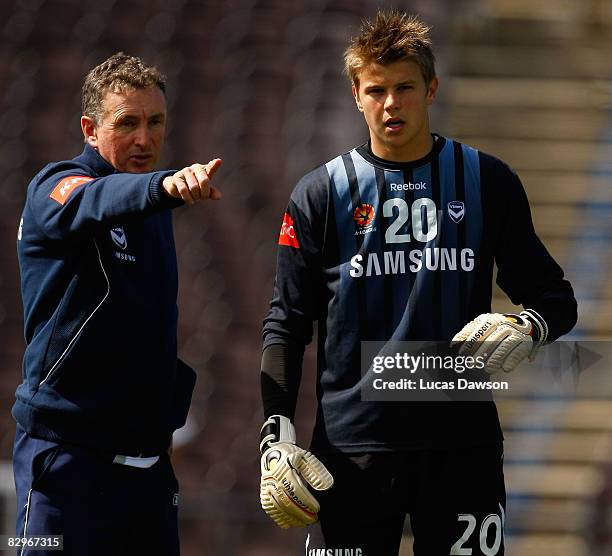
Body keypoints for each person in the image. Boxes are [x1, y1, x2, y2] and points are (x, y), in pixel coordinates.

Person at [258, 10, 577, 555]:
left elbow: (556, 298)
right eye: (376, 90)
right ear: (355, 94)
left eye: (404, 87)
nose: (390, 104)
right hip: (351, 451)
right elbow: (286, 326)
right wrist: (275, 436)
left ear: (431, 88)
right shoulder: (319, 193)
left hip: (462, 448)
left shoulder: (486, 180)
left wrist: (529, 325)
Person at [13, 52, 221, 556]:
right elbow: (95, 200)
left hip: (147, 475)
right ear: (90, 129)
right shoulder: (55, 187)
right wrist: (163, 185)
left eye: (155, 122)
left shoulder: (152, 212)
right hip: (67, 465)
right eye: (127, 123)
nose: (145, 140)